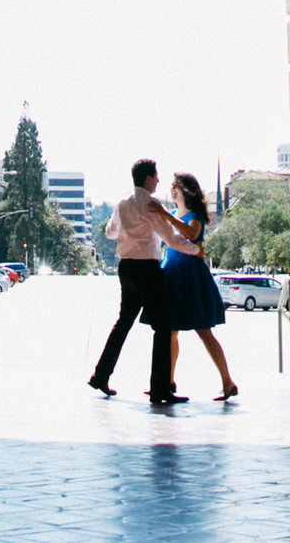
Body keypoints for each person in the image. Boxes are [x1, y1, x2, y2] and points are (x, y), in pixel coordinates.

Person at [87, 157, 199, 404]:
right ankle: (159, 389)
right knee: (163, 327)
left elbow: (110, 232)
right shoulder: (150, 204)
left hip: (126, 268)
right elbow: (170, 238)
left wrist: (126, 233)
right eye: (156, 176)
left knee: (123, 323)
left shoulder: (123, 203)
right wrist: (195, 250)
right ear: (148, 178)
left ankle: (100, 375)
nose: (158, 180)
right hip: (147, 268)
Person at [160, 173, 239, 401]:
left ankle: (227, 381)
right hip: (173, 275)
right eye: (172, 186)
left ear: (187, 191)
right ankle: (169, 381)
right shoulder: (174, 215)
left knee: (204, 332)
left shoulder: (194, 216)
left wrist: (167, 217)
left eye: (177, 187)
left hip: (191, 278)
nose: (173, 190)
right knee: (171, 333)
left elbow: (192, 234)